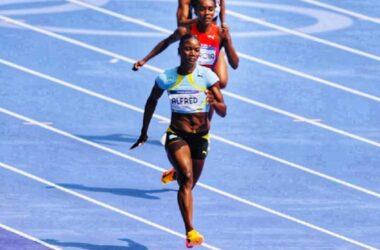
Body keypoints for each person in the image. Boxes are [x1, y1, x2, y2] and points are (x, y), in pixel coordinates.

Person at [131, 34, 227, 248]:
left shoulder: (208, 77)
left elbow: (223, 111)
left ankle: (174, 172)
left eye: (196, 50)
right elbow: (151, 102)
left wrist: (215, 103)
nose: (192, 54)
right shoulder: (167, 78)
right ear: (180, 52)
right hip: (177, 135)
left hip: (201, 138)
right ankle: (190, 231)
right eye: (187, 49)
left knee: (190, 184)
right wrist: (144, 132)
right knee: (187, 178)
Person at [133, 0, 239, 89]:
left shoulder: (220, 33)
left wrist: (223, 22)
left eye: (211, 9)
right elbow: (180, 23)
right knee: (198, 83)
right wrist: (144, 60)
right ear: (195, 9)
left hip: (214, 42)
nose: (208, 12)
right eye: (202, 9)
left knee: (221, 83)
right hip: (193, 38)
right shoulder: (186, 7)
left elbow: (221, 4)